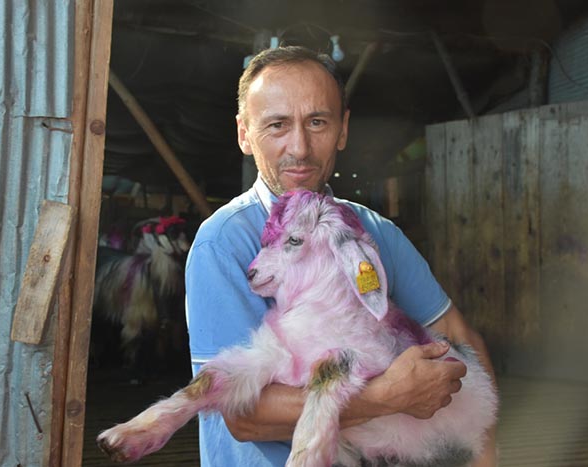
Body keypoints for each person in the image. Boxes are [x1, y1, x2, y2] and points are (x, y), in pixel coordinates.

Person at [185, 46, 498, 466]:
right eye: (277, 125)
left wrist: (483, 454)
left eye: (317, 122)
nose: (300, 147)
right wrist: (388, 396)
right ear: (244, 134)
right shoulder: (223, 242)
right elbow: (243, 416)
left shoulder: (375, 231)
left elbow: (459, 336)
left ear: (343, 129)